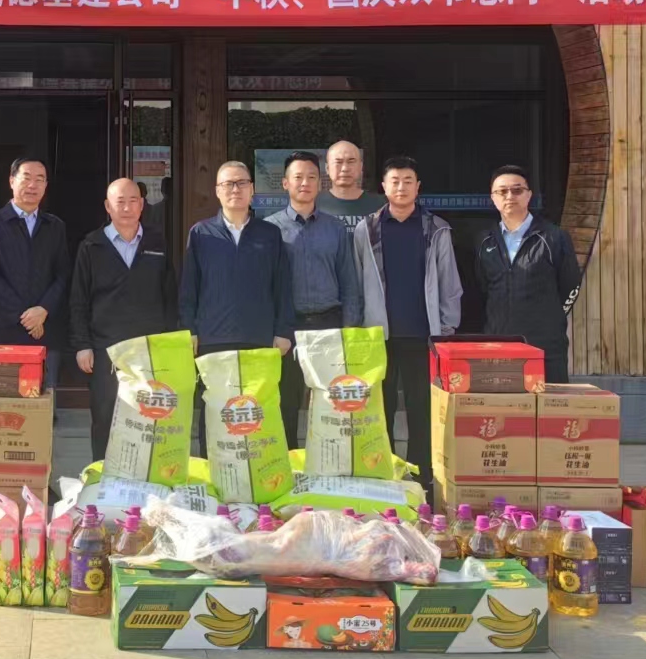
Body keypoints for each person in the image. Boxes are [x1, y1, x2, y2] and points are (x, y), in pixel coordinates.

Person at [354, 155, 462, 494]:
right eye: (395, 181)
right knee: (379, 409)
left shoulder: (436, 228)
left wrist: (447, 328)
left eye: (408, 181)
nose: (401, 187)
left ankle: (423, 475)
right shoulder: (366, 229)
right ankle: (382, 473)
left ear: (418, 187)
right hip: (378, 336)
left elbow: (449, 282)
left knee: (422, 408)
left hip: (422, 335)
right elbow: (356, 280)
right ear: (383, 187)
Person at [70, 178, 176, 461]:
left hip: (149, 348)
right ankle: (102, 477)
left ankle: (144, 476)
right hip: (106, 348)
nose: (127, 208)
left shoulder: (157, 242)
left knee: (148, 418)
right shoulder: (91, 245)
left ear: (142, 205)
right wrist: (82, 344)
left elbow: (170, 295)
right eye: (120, 202)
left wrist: (171, 343)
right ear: (108, 206)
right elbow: (79, 300)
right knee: (105, 417)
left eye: (133, 201)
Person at [267, 151, 363, 444]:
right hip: (288, 327)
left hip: (328, 323)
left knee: (330, 401)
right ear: (285, 183)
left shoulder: (335, 228)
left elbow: (349, 280)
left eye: (311, 177)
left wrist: (350, 328)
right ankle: (288, 461)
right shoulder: (270, 229)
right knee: (286, 400)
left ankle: (328, 460)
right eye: (298, 177)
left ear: (320, 184)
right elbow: (265, 285)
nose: (305, 183)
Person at [179, 160, 294, 363]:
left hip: (260, 338)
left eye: (242, 183)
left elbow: (282, 286)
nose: (235, 189)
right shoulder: (201, 233)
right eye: (228, 184)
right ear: (217, 191)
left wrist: (283, 331)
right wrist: (189, 330)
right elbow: (189, 288)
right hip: (212, 339)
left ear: (252, 189)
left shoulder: (270, 234)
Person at [476, 164, 582, 385]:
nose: (509, 196)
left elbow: (570, 285)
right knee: (504, 405)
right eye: (502, 191)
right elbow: (482, 288)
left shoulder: (554, 237)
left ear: (529, 195)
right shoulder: (485, 241)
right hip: (499, 343)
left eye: (517, 190)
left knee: (549, 404)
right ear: (493, 198)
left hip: (544, 345)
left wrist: (550, 317)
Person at [0, 156, 70, 388]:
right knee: (5, 400)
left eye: (40, 179)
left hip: (46, 328)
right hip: (5, 329)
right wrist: (26, 317)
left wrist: (43, 309)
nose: (32, 185)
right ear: (11, 181)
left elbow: (62, 274)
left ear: (46, 186)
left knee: (45, 399)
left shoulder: (55, 226)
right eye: (26, 178)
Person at [316, 139, 374, 229]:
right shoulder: (313, 204)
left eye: (351, 161)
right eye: (338, 162)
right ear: (327, 168)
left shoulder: (380, 205)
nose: (345, 168)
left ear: (361, 167)